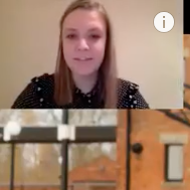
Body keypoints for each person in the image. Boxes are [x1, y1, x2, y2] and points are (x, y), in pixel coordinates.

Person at [12, 0, 148, 109]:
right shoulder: (37, 93)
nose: (82, 46)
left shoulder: (130, 98)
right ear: (62, 43)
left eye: (94, 35)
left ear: (107, 42)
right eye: (71, 35)